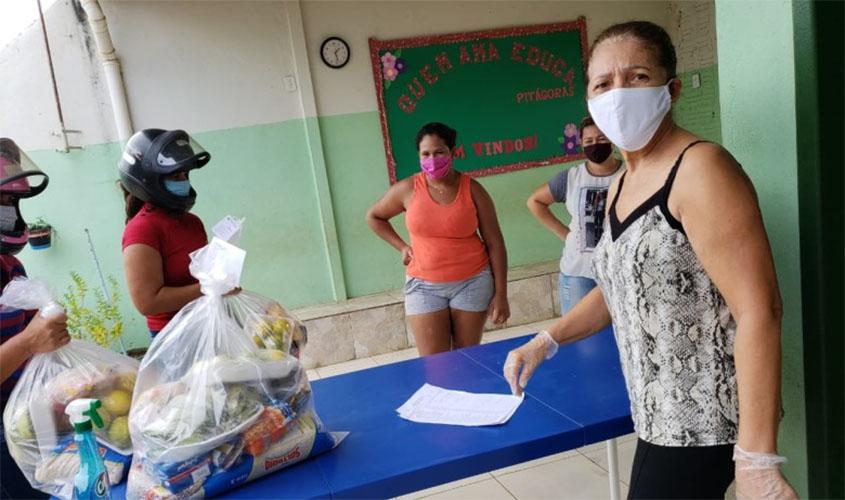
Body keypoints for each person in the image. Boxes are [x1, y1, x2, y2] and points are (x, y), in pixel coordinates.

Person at [503, 21, 797, 499]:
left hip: (707, 423)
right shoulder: (619, 183)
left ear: (672, 88)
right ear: (590, 101)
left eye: (637, 76)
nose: (618, 92)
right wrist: (545, 340)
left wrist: (756, 459)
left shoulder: (701, 170)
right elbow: (620, 288)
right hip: (656, 415)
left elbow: (760, 309)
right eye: (603, 83)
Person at [366, 122, 509, 355]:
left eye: (439, 152)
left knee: (467, 358)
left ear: (453, 152)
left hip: (472, 282)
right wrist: (402, 246)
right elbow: (374, 217)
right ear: (419, 155)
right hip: (423, 287)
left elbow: (495, 243)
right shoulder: (407, 189)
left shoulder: (474, 190)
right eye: (426, 154)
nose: (432, 159)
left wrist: (501, 294)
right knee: (435, 363)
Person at [0, 138, 70, 500]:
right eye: (2, 201)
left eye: (12, 202)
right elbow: (26, 340)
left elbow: (33, 341)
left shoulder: (10, 267)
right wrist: (29, 340)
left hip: (25, 415)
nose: (10, 211)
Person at [527, 116, 623, 314]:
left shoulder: (631, 173)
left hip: (622, 272)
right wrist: (565, 233)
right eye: (589, 141)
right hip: (580, 274)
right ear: (581, 144)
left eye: (602, 138)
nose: (595, 145)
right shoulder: (571, 178)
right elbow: (535, 201)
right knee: (580, 342)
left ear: (613, 139)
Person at [119, 129, 210, 337]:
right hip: (173, 337)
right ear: (149, 180)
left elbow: (202, 275)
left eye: (185, 174)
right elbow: (147, 302)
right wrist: (208, 288)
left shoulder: (193, 223)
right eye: (175, 175)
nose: (183, 180)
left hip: (207, 322)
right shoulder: (142, 229)